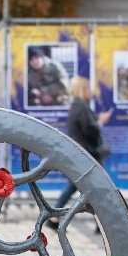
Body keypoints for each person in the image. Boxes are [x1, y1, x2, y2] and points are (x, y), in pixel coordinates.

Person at [48, 76, 112, 228]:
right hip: (86, 154)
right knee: (90, 188)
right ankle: (55, 217)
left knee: (87, 188)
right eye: (88, 88)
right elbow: (89, 129)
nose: (91, 92)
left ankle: (56, 218)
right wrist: (100, 122)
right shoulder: (81, 106)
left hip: (83, 153)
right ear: (83, 90)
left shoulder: (79, 106)